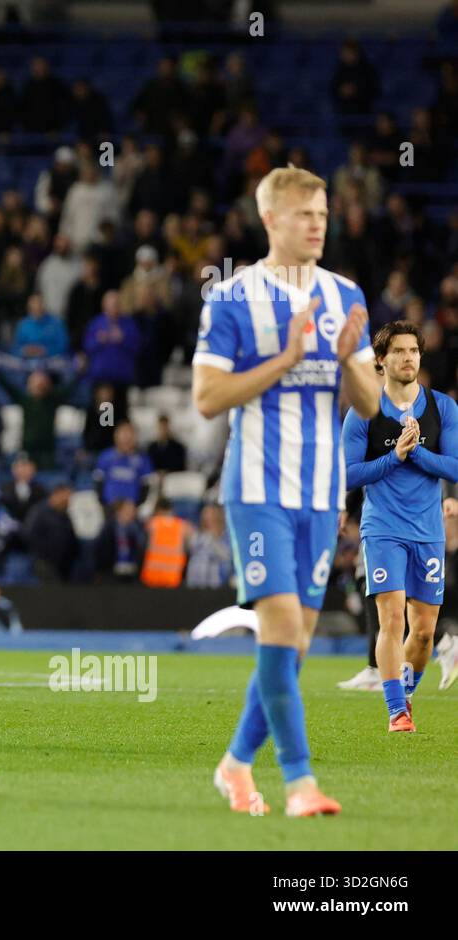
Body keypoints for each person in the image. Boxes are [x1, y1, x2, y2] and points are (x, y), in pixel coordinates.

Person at [193, 166, 379, 817]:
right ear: (269, 219)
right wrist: (283, 360)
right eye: (304, 214)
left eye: (323, 213)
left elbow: (371, 402)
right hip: (258, 486)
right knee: (278, 626)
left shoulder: (343, 293)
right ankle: (300, 783)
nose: (317, 224)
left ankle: (234, 764)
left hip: (322, 495)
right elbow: (208, 397)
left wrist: (354, 358)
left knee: (294, 643)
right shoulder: (233, 299)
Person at [341, 321, 457, 733]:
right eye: (399, 351)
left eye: (414, 351)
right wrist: (395, 458)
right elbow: (349, 475)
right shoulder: (364, 413)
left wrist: (416, 453)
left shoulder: (442, 408)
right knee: (391, 619)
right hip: (383, 527)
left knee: (423, 633)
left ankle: (405, 691)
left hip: (428, 531)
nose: (408, 358)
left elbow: (456, 466)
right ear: (381, 360)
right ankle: (397, 711)